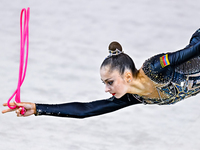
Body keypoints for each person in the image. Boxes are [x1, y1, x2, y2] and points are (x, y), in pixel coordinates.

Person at [2, 28, 200, 118]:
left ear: (128, 77)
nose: (106, 89)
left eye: (110, 82)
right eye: (104, 83)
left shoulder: (156, 68)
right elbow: (86, 109)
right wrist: (37, 108)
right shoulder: (133, 96)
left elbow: (195, 48)